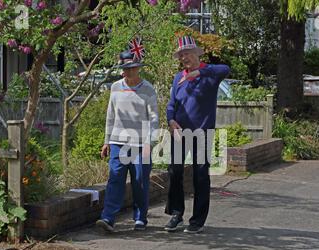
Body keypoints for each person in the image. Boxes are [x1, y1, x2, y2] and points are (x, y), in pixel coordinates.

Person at [164, 36, 230, 234]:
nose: (185, 58)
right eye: (182, 55)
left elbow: (225, 69)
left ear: (197, 54)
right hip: (180, 132)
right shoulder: (178, 78)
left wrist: (199, 72)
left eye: (188, 54)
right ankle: (176, 214)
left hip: (202, 131)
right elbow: (171, 104)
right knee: (174, 170)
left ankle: (198, 220)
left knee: (200, 175)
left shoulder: (209, 74)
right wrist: (170, 120)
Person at [96, 49, 159, 232]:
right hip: (118, 141)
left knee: (139, 180)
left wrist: (150, 142)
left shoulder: (148, 88)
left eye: (131, 68)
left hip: (140, 144)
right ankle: (108, 218)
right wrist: (107, 141)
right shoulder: (115, 87)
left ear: (138, 68)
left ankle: (140, 218)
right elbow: (110, 115)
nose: (127, 72)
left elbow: (154, 118)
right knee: (115, 179)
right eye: (124, 68)